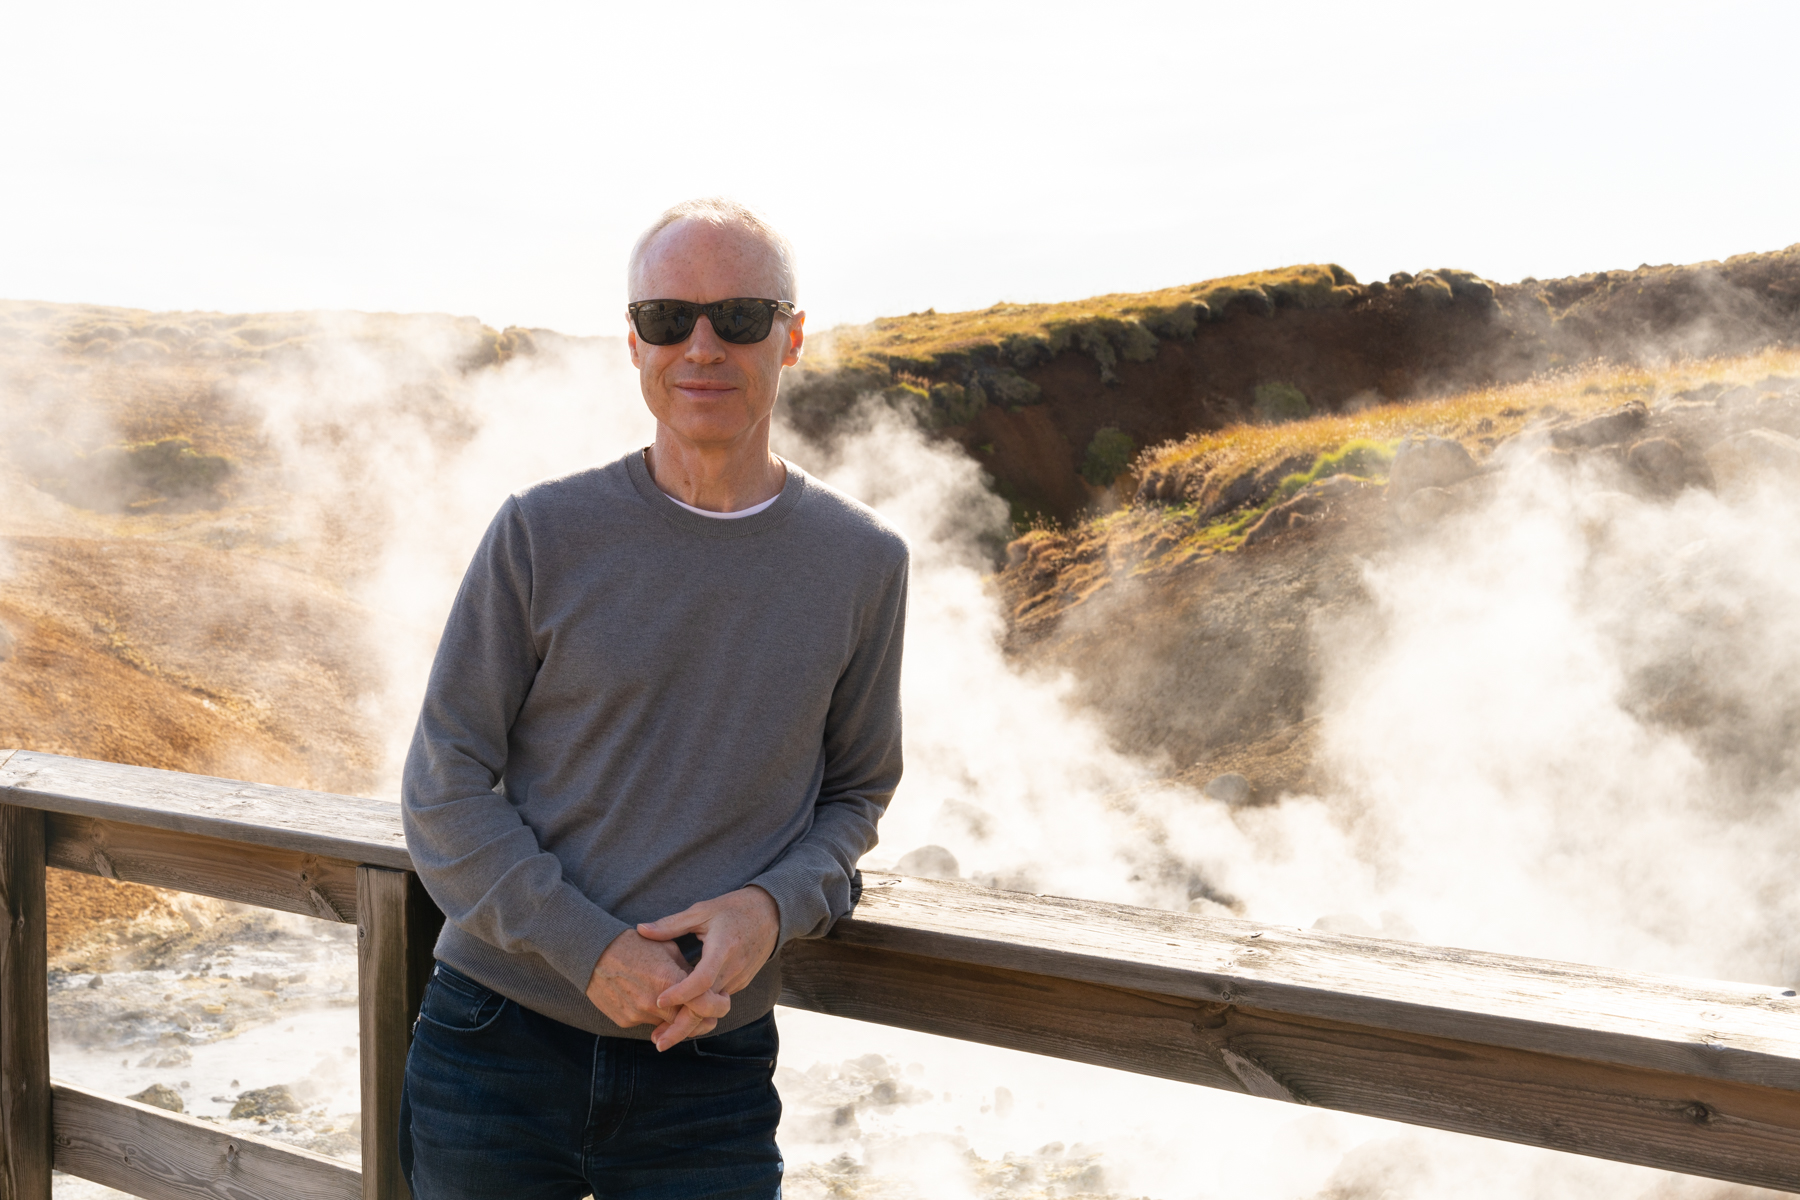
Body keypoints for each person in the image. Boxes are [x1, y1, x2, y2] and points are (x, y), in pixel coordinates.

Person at [398, 198, 909, 1200]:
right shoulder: (539, 533)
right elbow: (442, 788)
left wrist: (770, 911)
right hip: (494, 1048)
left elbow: (857, 794)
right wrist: (590, 953)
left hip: (706, 1067)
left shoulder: (863, 561)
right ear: (635, 344)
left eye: (742, 317)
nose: (703, 346)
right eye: (670, 320)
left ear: (792, 337)